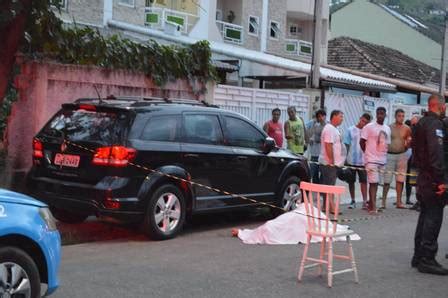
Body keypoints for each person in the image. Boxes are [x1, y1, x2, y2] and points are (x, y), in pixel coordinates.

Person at [411, 94, 448, 275]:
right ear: (440, 106)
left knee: (425, 216)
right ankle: (427, 258)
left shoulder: (420, 123)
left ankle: (418, 256)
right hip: (433, 178)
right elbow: (436, 154)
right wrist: (441, 180)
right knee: (433, 218)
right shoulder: (435, 125)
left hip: (423, 177)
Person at [231, 203, 360, 244]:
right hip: (301, 215)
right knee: (274, 225)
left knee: (272, 227)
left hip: (306, 217)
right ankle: (245, 233)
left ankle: (245, 233)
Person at [360, 107, 391, 214]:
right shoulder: (369, 127)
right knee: (373, 182)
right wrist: (368, 154)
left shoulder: (387, 128)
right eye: (378, 113)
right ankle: (373, 207)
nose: (380, 115)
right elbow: (362, 141)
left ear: (385, 115)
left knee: (376, 183)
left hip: (382, 160)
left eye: (382, 113)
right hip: (371, 160)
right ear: (376, 114)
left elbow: (387, 144)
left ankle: (371, 204)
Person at [381, 109, 412, 209]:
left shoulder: (407, 128)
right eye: (399, 116)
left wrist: (407, 145)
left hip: (402, 155)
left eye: (403, 116)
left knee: (400, 179)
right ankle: (383, 202)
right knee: (387, 180)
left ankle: (399, 202)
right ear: (395, 116)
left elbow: (409, 140)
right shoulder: (389, 127)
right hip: (390, 155)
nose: (401, 118)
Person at [319, 110, 346, 213]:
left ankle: (325, 206)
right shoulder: (329, 129)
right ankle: (332, 207)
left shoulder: (334, 129)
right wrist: (331, 161)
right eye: (340, 116)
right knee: (330, 186)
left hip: (331, 163)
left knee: (328, 184)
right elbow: (328, 145)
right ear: (334, 116)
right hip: (328, 163)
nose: (342, 119)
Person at [343, 113, 371, 210]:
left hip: (363, 161)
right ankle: (353, 200)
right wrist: (345, 158)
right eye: (363, 121)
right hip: (351, 160)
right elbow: (346, 145)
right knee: (351, 181)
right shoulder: (350, 130)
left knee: (363, 181)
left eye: (366, 122)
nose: (363, 123)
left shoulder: (367, 132)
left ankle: (364, 201)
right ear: (360, 119)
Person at [307, 109, 327, 183]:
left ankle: (321, 189)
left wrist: (316, 139)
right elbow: (312, 136)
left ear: (325, 116)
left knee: (323, 173)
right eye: (318, 117)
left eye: (322, 116)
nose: (320, 118)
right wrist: (311, 139)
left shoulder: (328, 126)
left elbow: (321, 139)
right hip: (314, 152)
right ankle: (315, 188)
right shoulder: (316, 125)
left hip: (323, 154)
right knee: (313, 172)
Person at [405, 116, 420, 208]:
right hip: (414, 159)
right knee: (414, 182)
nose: (412, 126)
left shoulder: (423, 133)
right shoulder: (411, 133)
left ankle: (421, 202)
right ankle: (417, 202)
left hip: (421, 161)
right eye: (411, 125)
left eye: (414, 124)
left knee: (420, 183)